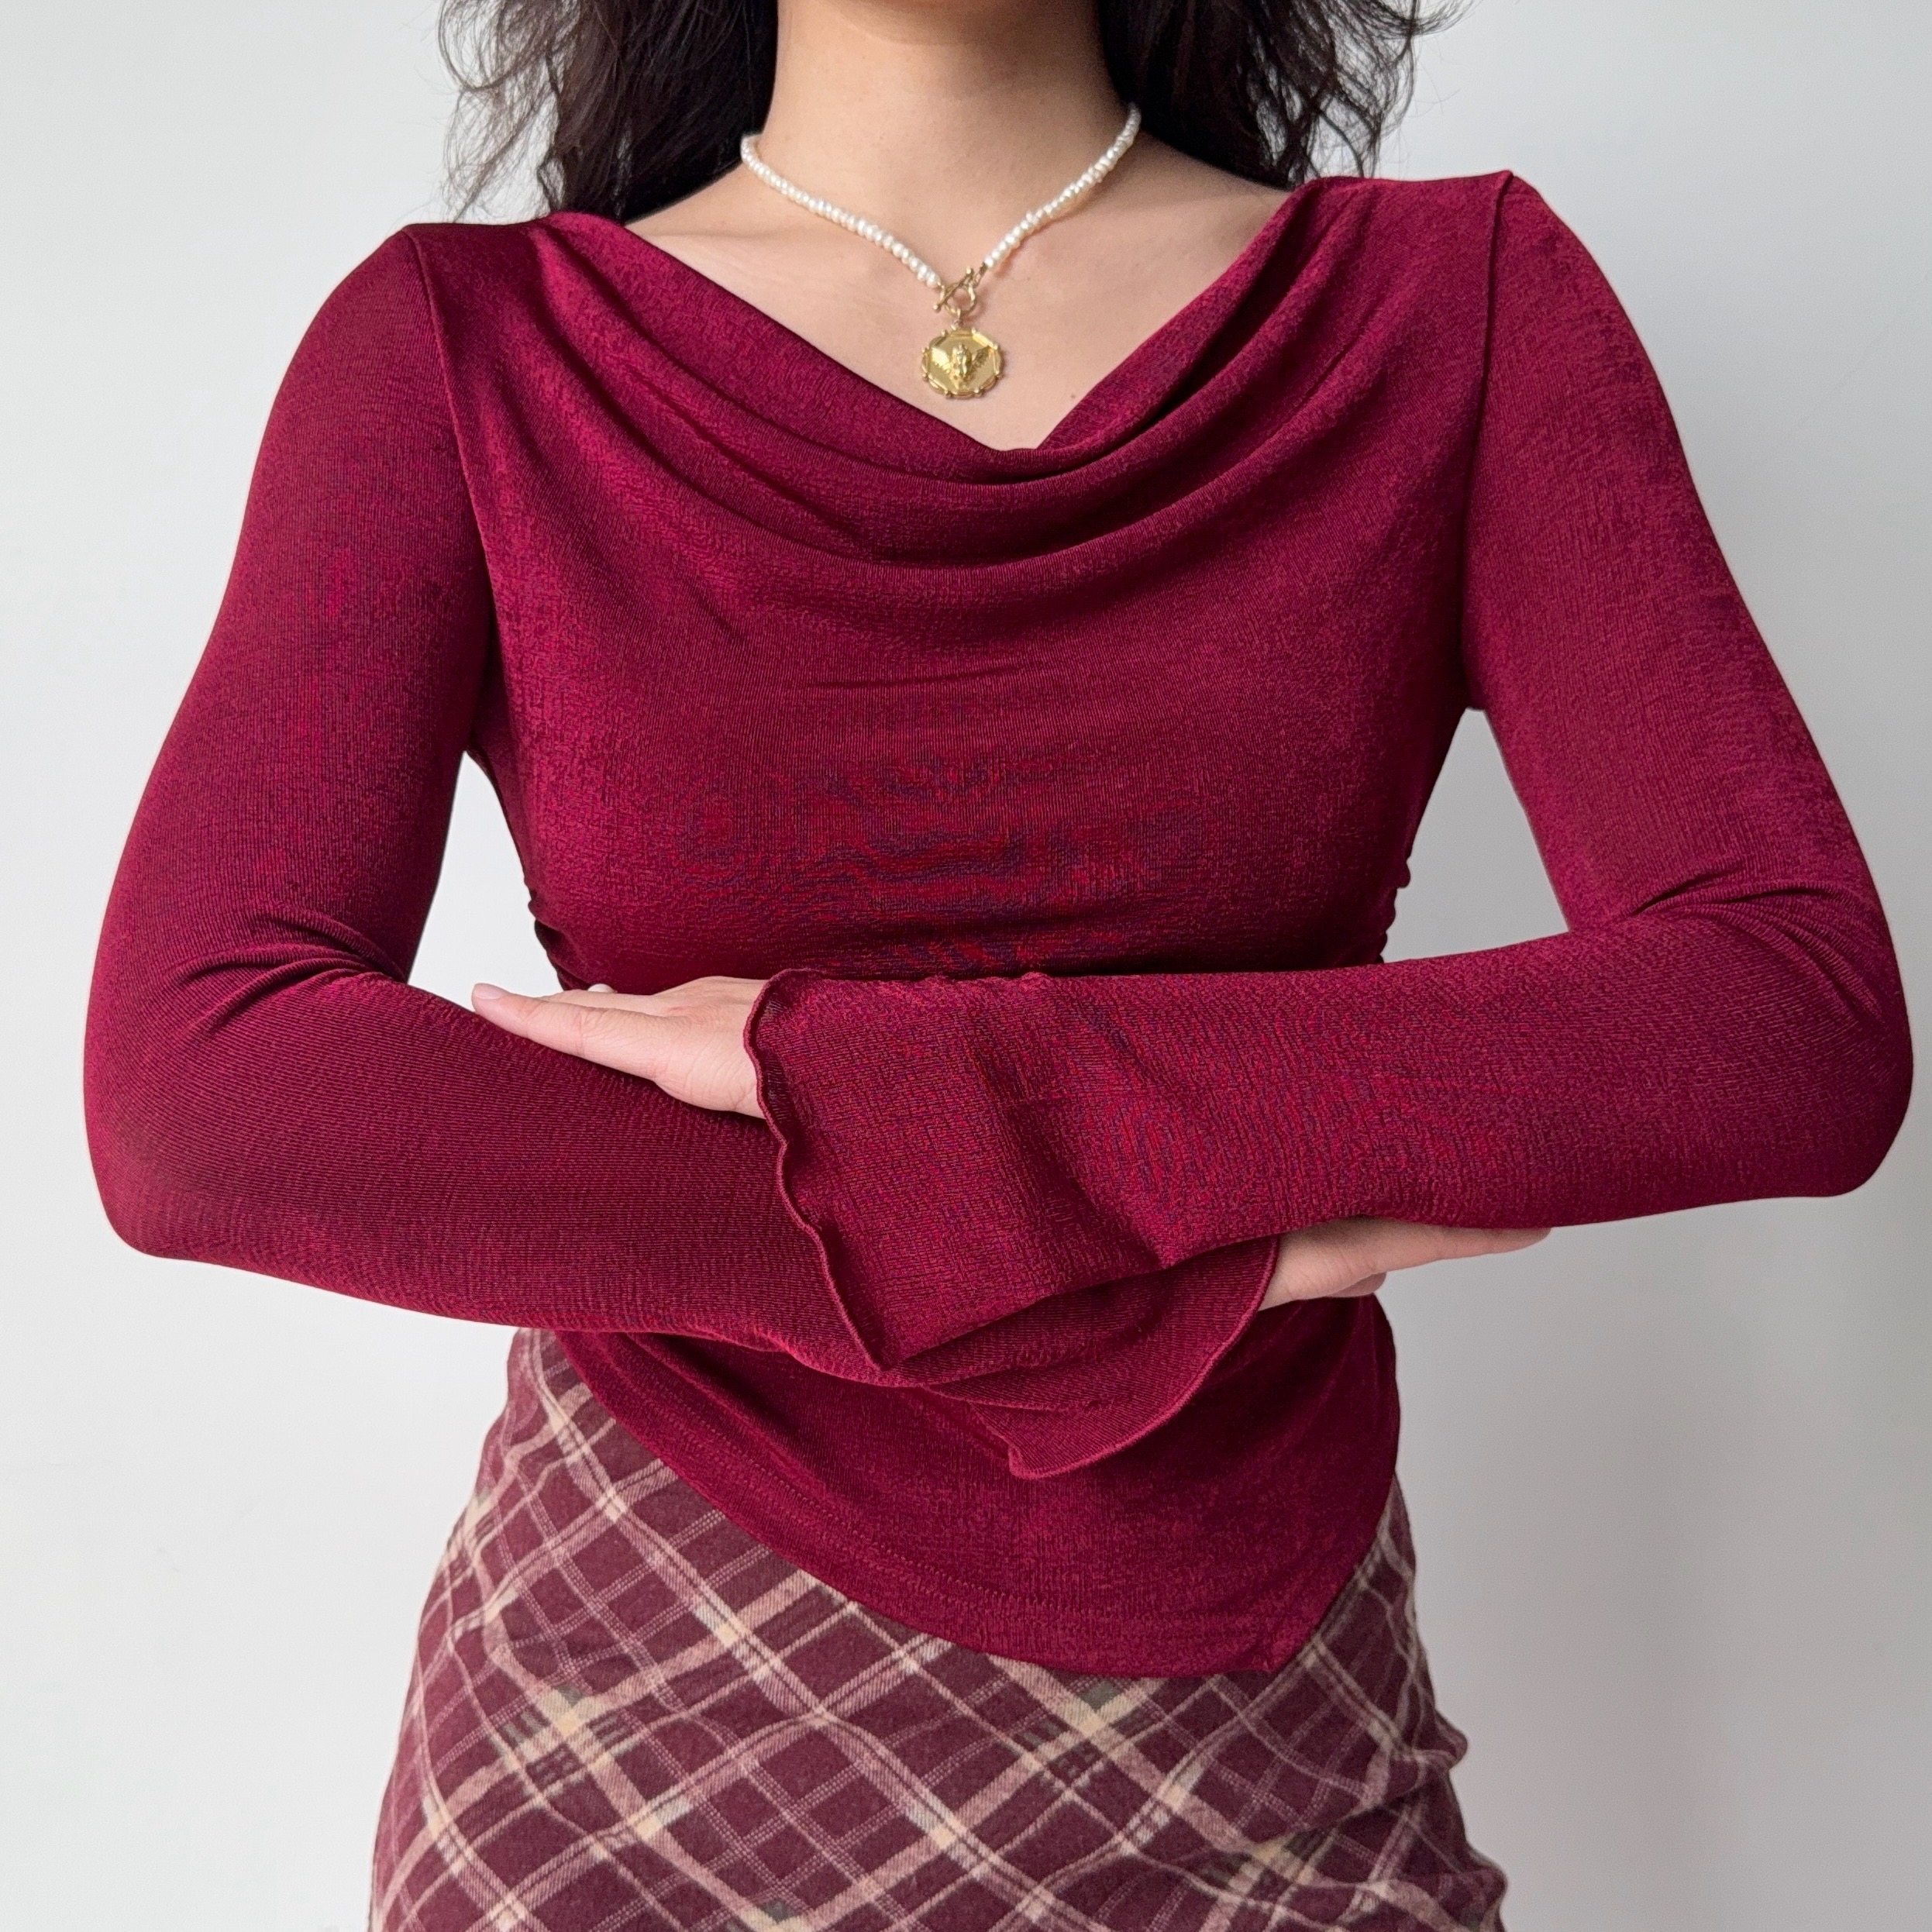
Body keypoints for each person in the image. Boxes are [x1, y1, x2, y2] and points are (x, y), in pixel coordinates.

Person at [82, 0, 1912, 1926]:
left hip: (1253, 1736)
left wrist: (953, 1111)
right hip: (634, 1743)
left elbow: (1777, 1015)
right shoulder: (462, 349)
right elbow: (202, 1092)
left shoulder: (1450, 308)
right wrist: (1125, 1225)